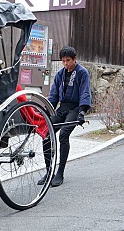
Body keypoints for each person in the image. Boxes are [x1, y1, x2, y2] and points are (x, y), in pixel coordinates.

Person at [39, 46, 91, 187]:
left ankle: (60, 172)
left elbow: (85, 93)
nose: (66, 63)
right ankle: (49, 171)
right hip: (62, 109)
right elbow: (54, 95)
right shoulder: (60, 74)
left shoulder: (82, 73)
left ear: (74, 59)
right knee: (46, 134)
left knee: (63, 135)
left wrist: (82, 112)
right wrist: (46, 110)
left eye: (68, 60)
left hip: (75, 109)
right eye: (63, 61)